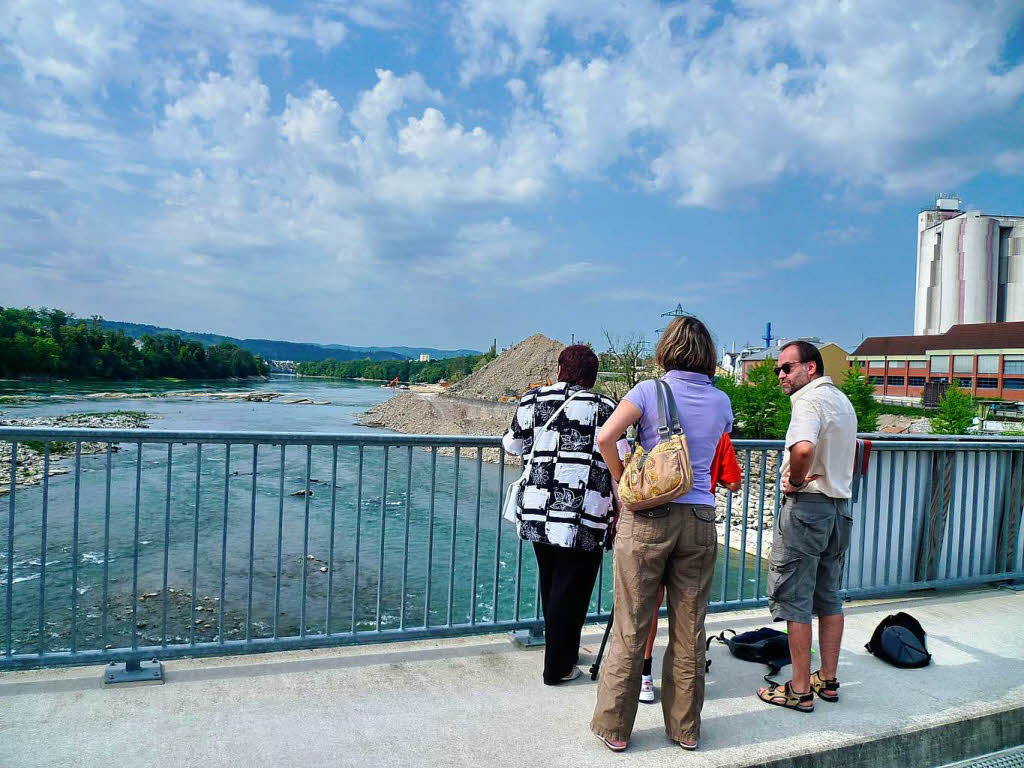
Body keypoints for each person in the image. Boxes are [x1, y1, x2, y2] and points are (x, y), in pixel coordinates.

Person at [590, 316, 733, 752]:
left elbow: (605, 437)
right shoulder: (721, 400)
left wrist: (622, 483)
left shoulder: (649, 391)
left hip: (650, 517)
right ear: (708, 353)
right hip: (701, 520)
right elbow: (715, 448)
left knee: (633, 623)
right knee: (690, 627)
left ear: (666, 348)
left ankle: (615, 728)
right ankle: (685, 729)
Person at [502, 344, 619, 686]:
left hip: (539, 508)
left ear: (560, 369)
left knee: (552, 582)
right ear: (593, 376)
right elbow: (618, 458)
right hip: (585, 512)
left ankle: (562, 651)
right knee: (575, 588)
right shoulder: (606, 407)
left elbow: (512, 445)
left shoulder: (532, 400)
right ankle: (557, 666)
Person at [757, 340, 856, 712]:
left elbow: (801, 449)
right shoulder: (841, 400)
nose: (780, 375)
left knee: (794, 598)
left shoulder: (808, 402)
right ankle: (827, 679)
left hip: (807, 509)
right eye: (778, 369)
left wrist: (796, 480)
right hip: (838, 508)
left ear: (810, 368)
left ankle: (799, 689)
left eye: (787, 367)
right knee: (829, 596)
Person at [639, 432, 742, 704]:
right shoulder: (717, 433)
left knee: (647, 601)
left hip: (655, 515)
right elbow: (733, 483)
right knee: (688, 607)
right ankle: (684, 692)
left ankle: (644, 675)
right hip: (697, 519)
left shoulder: (655, 430)